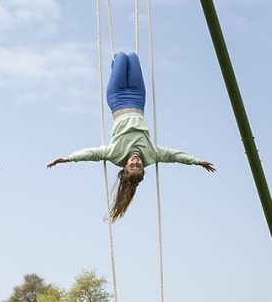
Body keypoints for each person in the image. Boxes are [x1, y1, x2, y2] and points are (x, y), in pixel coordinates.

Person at [47, 51, 215, 221]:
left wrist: (68, 158)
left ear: (125, 167)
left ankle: (114, 65)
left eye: (132, 166)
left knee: (120, 57)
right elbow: (174, 156)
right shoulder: (152, 155)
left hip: (117, 99)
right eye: (139, 166)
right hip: (138, 99)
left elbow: (91, 154)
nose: (136, 162)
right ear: (143, 167)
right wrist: (196, 161)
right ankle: (117, 66)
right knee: (133, 57)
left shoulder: (115, 154)